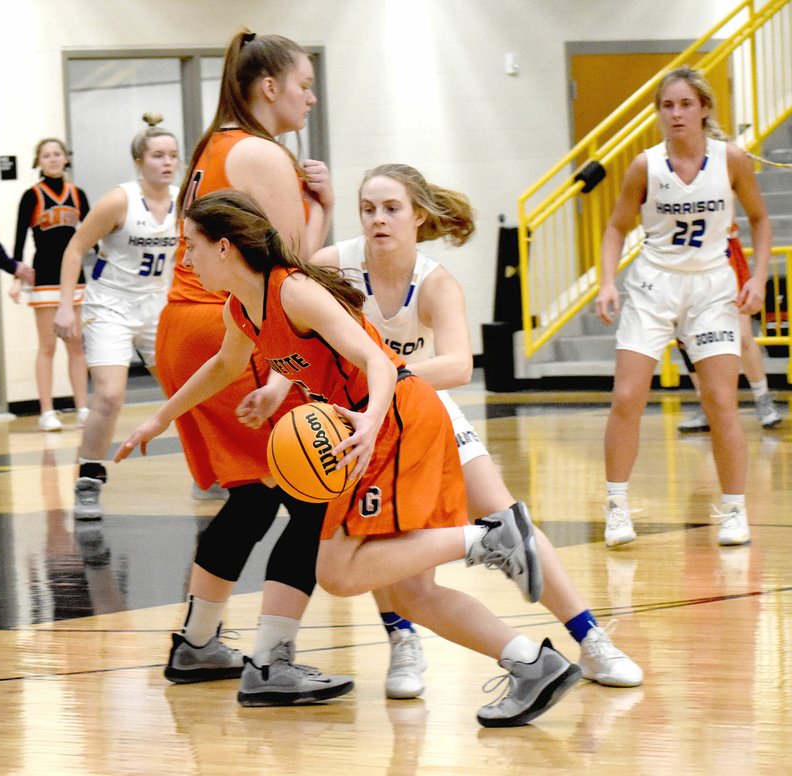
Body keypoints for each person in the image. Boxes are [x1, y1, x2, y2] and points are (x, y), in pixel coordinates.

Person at [115, 189, 582, 728]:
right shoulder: (241, 307)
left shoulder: (295, 292)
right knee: (411, 593)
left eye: (190, 246)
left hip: (395, 419)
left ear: (223, 248)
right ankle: (532, 665)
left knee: (337, 572)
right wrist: (161, 416)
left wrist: (367, 420)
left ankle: (490, 538)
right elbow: (224, 365)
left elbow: (378, 364)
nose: (185, 258)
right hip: (364, 429)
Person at [312, 163, 643, 699]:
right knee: (377, 534)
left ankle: (592, 637)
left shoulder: (435, 281)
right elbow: (294, 312)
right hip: (365, 422)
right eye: (368, 209)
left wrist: (384, 376)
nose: (378, 219)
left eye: (391, 208)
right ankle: (402, 639)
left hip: (425, 411)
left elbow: (460, 366)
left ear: (418, 215)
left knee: (509, 518)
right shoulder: (334, 267)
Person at [150, 30, 352, 705]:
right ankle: (273, 661)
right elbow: (291, 268)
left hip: (183, 329)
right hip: (225, 326)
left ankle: (198, 642)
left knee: (257, 494)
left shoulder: (213, 146)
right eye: (304, 84)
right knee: (315, 491)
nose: (312, 96)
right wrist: (324, 204)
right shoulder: (260, 151)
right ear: (269, 88)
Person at [595, 66, 772, 549]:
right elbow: (615, 227)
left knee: (721, 402)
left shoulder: (731, 160)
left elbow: (759, 218)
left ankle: (734, 511)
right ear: (659, 113)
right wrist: (608, 281)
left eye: (685, 104)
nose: (676, 113)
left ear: (704, 109)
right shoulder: (644, 166)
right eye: (667, 105)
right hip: (654, 286)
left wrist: (756, 276)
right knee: (627, 398)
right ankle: (616, 506)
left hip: (712, 288)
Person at [53, 114, 180, 520]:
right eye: (158, 155)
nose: (167, 162)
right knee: (108, 395)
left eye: (173, 156)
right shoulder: (119, 200)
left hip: (159, 304)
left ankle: (209, 471)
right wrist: (64, 305)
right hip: (110, 304)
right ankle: (88, 480)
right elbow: (75, 249)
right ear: (139, 161)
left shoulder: (185, 202)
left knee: (185, 392)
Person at [12, 138, 90, 432]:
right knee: (47, 345)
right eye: (47, 155)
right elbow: (18, 238)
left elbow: (93, 233)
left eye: (57, 154)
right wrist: (16, 278)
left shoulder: (78, 194)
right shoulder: (31, 195)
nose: (53, 159)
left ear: (65, 159)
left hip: (75, 278)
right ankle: (47, 412)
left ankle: (82, 407)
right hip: (44, 276)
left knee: (76, 344)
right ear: (39, 161)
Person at [677, 225, 782, 431]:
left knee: (742, 337)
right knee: (687, 338)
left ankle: (763, 398)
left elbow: (754, 216)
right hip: (682, 258)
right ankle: (707, 406)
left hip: (722, 253)